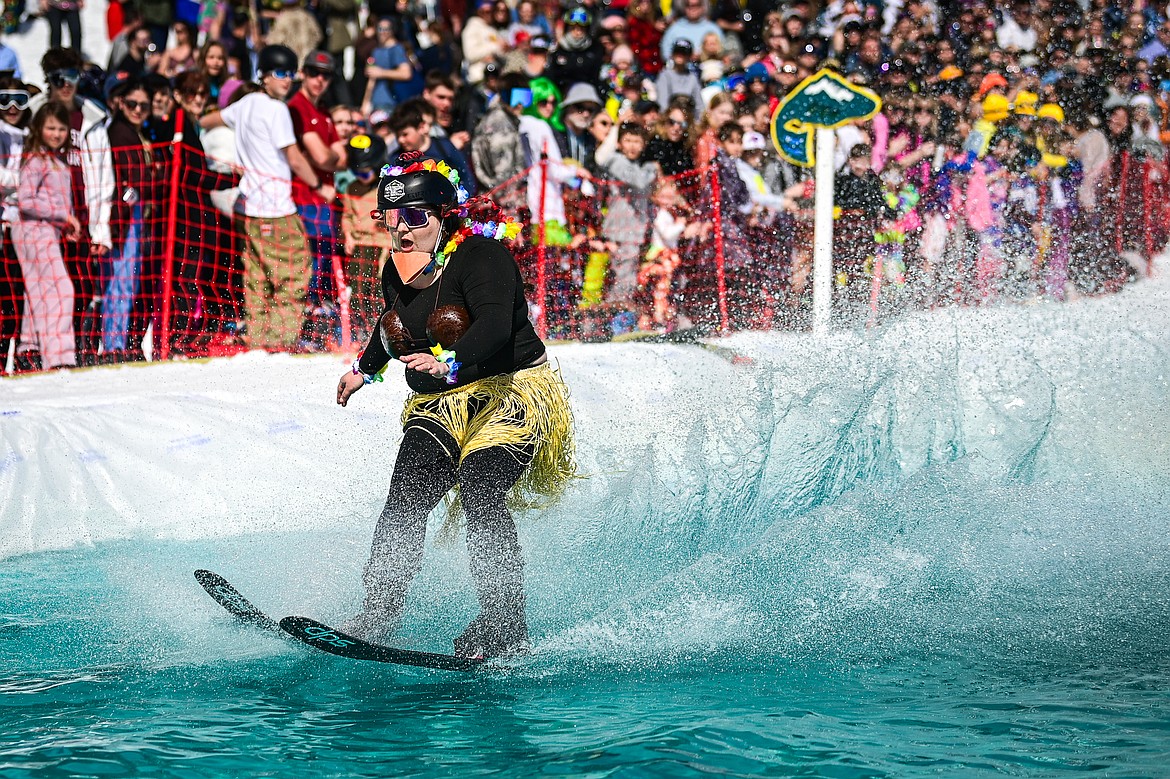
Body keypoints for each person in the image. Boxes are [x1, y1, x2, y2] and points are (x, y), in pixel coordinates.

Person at [336, 160, 576, 659]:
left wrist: (450, 361)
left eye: (415, 216)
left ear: (444, 214)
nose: (402, 229)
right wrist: (364, 369)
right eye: (391, 217)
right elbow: (394, 321)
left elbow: (494, 325)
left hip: (509, 394)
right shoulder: (398, 267)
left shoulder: (483, 257)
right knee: (405, 499)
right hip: (439, 403)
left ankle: (504, 622)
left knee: (480, 489)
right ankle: (377, 614)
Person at [200, 45, 325, 350]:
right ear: (264, 75)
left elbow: (207, 121)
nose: (287, 80)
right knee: (294, 272)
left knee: (257, 276)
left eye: (290, 74)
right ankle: (281, 339)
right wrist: (319, 185)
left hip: (248, 208)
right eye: (280, 73)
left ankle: (258, 338)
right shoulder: (276, 109)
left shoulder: (244, 105)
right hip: (276, 208)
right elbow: (293, 157)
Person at [13, 102, 80, 370]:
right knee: (62, 290)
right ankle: (60, 355)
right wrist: (63, 216)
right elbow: (26, 200)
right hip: (33, 230)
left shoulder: (56, 161)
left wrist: (66, 224)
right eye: (51, 128)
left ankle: (29, 350)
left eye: (61, 129)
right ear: (39, 128)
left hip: (46, 231)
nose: (56, 134)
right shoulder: (36, 160)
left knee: (39, 292)